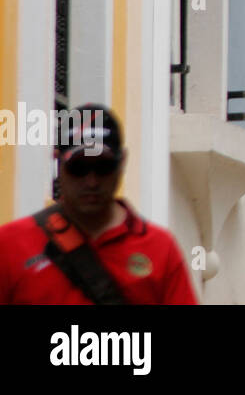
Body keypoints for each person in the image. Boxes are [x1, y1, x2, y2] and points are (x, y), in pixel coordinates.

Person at [0, 104, 198, 304]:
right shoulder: (11, 245)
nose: (91, 182)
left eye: (103, 167)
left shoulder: (160, 249)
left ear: (122, 163)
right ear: (57, 162)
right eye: (79, 167)